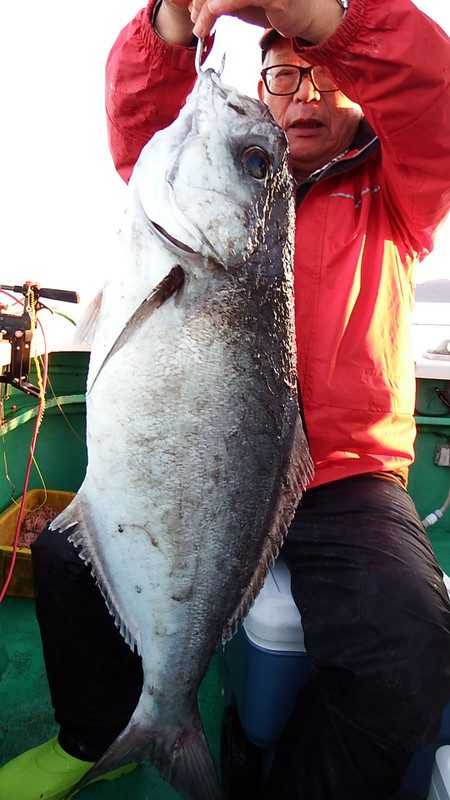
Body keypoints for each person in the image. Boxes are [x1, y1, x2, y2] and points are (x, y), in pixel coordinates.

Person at [1, 0, 450, 798]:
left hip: (347, 479)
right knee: (65, 561)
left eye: (328, 75)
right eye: (284, 73)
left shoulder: (398, 192)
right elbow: (140, 115)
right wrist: (171, 23)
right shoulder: (191, 185)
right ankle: (97, 734)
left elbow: (432, 101)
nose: (305, 93)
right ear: (265, 91)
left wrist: (327, 19)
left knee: (409, 651)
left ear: (359, 93)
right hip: (202, 467)